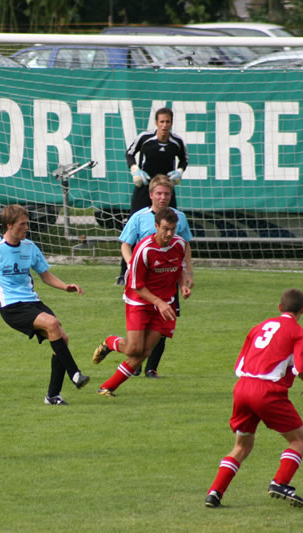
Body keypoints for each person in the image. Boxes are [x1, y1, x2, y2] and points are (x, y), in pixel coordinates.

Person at [0, 204, 90, 405]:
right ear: (9, 225)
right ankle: (75, 374)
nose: (27, 227)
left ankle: (52, 396)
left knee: (62, 339)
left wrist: (65, 287)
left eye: (27, 223)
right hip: (11, 306)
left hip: (33, 302)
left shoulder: (29, 247)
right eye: (22, 224)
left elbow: (45, 275)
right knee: (52, 324)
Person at [205, 288, 303, 509]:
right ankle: (280, 483)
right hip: (267, 391)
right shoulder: (299, 332)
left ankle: (214, 492)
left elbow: (242, 360)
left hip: (242, 387)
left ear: (279, 307)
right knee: (299, 440)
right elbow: (302, 367)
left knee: (242, 444)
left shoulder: (260, 326)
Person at [92, 208, 191, 397]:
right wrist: (159, 303)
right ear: (156, 226)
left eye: (172, 229)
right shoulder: (144, 250)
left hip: (165, 303)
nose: (169, 234)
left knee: (145, 351)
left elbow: (178, 267)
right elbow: (137, 286)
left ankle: (107, 387)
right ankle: (111, 342)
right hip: (139, 301)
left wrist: (183, 285)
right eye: (165, 229)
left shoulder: (178, 244)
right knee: (133, 349)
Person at [118, 175, 194, 378]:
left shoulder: (179, 218)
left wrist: (188, 273)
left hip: (167, 278)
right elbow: (126, 243)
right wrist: (130, 263)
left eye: (167, 193)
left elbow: (185, 245)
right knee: (143, 326)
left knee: (163, 323)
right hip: (144, 279)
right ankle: (135, 361)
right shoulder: (139, 217)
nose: (163, 197)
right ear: (151, 195)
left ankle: (151, 367)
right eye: (159, 193)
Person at [118, 106, 188, 285]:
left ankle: (171, 269)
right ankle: (125, 272)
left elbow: (184, 159)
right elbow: (129, 153)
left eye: (168, 122)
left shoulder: (176, 142)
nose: (165, 125)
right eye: (162, 121)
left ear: (172, 123)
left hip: (166, 189)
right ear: (156, 123)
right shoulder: (145, 138)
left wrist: (179, 172)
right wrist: (135, 170)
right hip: (145, 188)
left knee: (170, 226)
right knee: (134, 227)